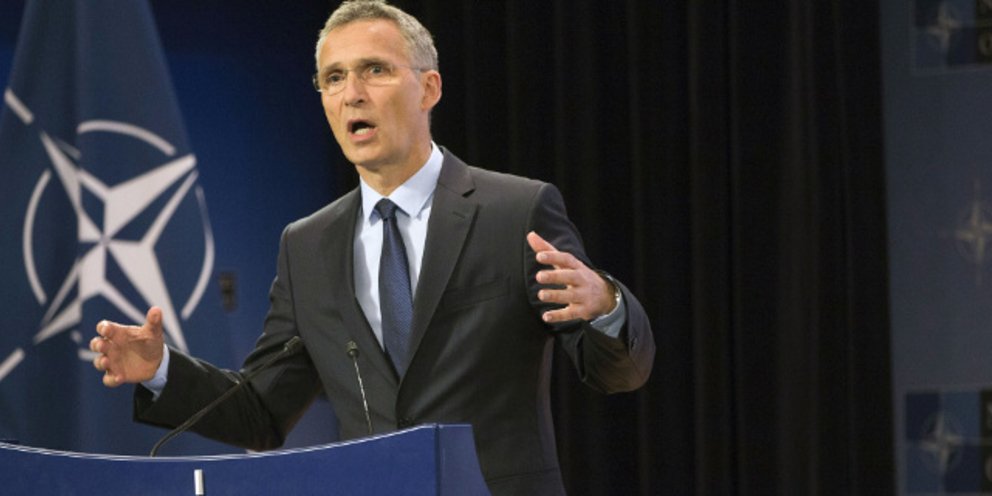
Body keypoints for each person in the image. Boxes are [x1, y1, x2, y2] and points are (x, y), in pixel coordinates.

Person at [89, 1, 655, 494]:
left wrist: (606, 306)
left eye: (374, 70)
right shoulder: (307, 245)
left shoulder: (515, 212)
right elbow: (261, 411)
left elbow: (618, 373)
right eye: (333, 78)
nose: (351, 94)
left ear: (429, 88)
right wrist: (161, 369)